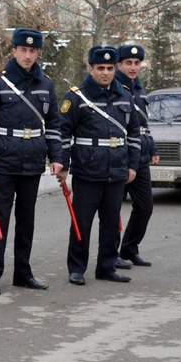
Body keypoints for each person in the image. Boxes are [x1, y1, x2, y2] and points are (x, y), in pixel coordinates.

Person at [0, 28, 64, 296]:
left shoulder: (45, 84)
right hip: (4, 159)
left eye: (32, 51)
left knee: (27, 221)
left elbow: (53, 124)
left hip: (33, 160)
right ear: (13, 51)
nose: (27, 55)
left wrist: (57, 157)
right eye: (23, 50)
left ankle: (23, 273)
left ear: (38, 53)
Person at [58, 46, 140, 286]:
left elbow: (134, 133)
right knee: (81, 223)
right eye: (100, 68)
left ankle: (107, 267)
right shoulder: (76, 97)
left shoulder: (125, 95)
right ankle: (77, 269)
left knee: (111, 223)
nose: (106, 72)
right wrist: (62, 164)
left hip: (117, 170)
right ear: (90, 68)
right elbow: (63, 132)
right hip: (87, 171)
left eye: (110, 68)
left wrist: (133, 165)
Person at [114, 44, 158, 268]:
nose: (133, 67)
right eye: (128, 63)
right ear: (119, 65)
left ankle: (129, 249)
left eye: (137, 63)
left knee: (145, 206)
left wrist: (152, 149)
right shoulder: (114, 88)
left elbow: (143, 124)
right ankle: (111, 254)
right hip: (120, 154)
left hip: (140, 156)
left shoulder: (139, 89)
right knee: (112, 209)